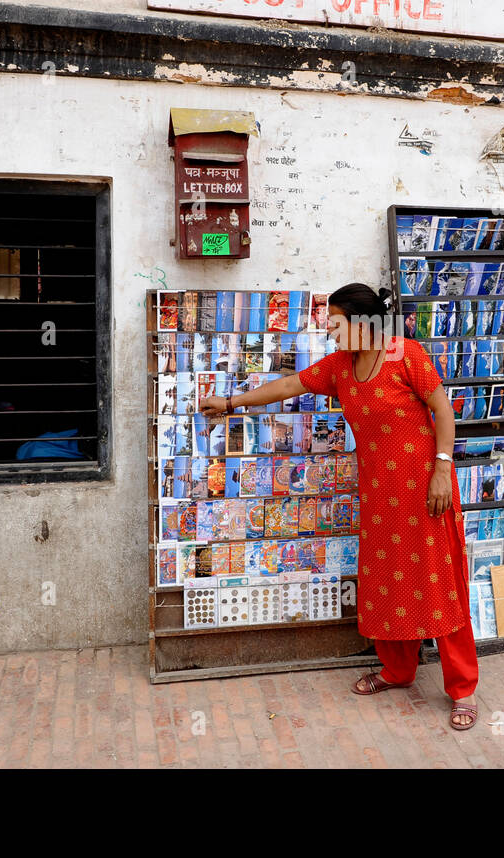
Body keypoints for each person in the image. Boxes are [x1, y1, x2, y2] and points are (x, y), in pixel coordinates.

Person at [201, 283, 479, 730]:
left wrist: (443, 469)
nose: (328, 331)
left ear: (362, 323)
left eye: (334, 323)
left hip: (427, 490)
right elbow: (290, 384)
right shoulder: (340, 367)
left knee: (439, 582)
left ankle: (462, 688)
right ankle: (399, 671)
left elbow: (443, 411)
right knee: (388, 579)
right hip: (380, 495)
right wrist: (231, 403)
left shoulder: (404, 354)